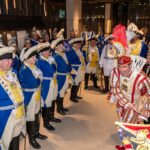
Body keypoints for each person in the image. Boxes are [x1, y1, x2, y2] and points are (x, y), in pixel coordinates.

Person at [109, 55, 150, 149]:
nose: (121, 69)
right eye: (120, 66)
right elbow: (115, 89)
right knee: (123, 123)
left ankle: (130, 145)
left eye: (124, 67)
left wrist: (143, 114)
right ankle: (128, 144)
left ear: (130, 65)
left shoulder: (141, 78)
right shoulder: (115, 72)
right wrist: (126, 103)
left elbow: (147, 97)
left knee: (130, 127)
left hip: (136, 106)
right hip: (122, 103)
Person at [19, 45, 47, 149]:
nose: (35, 59)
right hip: (30, 97)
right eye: (33, 57)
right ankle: (31, 138)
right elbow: (34, 83)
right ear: (27, 58)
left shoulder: (33, 66)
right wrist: (39, 79)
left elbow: (40, 76)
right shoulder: (25, 69)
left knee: (36, 114)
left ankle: (36, 133)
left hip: (36, 95)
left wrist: (39, 78)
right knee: (30, 117)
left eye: (35, 57)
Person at [0, 46, 25, 150]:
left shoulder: (13, 73)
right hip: (4, 117)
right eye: (6, 60)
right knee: (5, 141)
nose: (10, 62)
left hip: (19, 112)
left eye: (11, 59)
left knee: (16, 136)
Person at [37, 42, 61, 131]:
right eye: (46, 51)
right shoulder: (40, 61)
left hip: (53, 82)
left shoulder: (49, 59)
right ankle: (46, 123)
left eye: (48, 50)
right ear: (41, 52)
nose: (48, 52)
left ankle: (51, 116)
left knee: (53, 99)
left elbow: (56, 68)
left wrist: (53, 63)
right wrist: (52, 63)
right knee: (46, 103)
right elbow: (51, 70)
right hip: (46, 84)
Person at [52, 37, 71, 115]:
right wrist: (68, 67)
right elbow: (64, 67)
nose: (63, 47)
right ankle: (59, 108)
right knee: (59, 92)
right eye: (60, 46)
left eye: (62, 45)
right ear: (56, 47)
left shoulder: (63, 54)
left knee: (63, 92)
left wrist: (68, 67)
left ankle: (61, 106)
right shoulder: (56, 56)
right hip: (60, 76)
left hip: (65, 75)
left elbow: (68, 65)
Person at [67, 37, 85, 103]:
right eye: (78, 44)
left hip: (80, 68)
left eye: (80, 44)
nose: (79, 45)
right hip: (75, 69)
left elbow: (82, 59)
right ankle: (72, 97)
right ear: (74, 44)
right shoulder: (71, 51)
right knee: (75, 83)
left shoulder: (80, 51)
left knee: (79, 82)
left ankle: (75, 95)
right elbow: (69, 61)